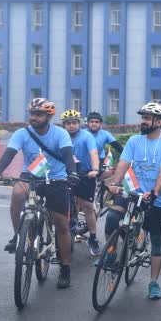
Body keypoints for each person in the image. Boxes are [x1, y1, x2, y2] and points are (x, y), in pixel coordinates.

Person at [0, 98, 79, 289]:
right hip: (32, 175)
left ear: (49, 116)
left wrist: (72, 174)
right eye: (32, 114)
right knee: (18, 193)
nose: (34, 118)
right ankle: (17, 236)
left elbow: (68, 156)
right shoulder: (22, 133)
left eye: (38, 114)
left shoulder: (60, 133)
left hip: (56, 178)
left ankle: (66, 268)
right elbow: (9, 153)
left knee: (62, 225)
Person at [104, 102, 161, 299]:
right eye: (142, 117)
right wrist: (115, 183)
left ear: (159, 121)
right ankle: (111, 254)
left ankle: (154, 283)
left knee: (156, 240)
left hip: (156, 198)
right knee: (112, 218)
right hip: (132, 191)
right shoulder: (134, 141)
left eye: (147, 118)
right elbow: (124, 163)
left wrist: (154, 192)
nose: (142, 121)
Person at [61, 109, 101, 256]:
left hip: (85, 175)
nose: (71, 126)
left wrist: (95, 169)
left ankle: (93, 237)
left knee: (88, 206)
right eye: (68, 123)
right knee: (64, 205)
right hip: (65, 174)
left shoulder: (87, 136)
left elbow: (93, 153)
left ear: (79, 124)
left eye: (74, 123)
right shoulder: (61, 136)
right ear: (63, 125)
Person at [85, 111, 124, 176]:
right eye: (92, 121)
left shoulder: (105, 134)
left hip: (97, 163)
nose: (94, 124)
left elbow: (118, 147)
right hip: (82, 165)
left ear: (101, 124)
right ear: (87, 123)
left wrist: (128, 157)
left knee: (108, 176)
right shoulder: (82, 133)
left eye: (97, 122)